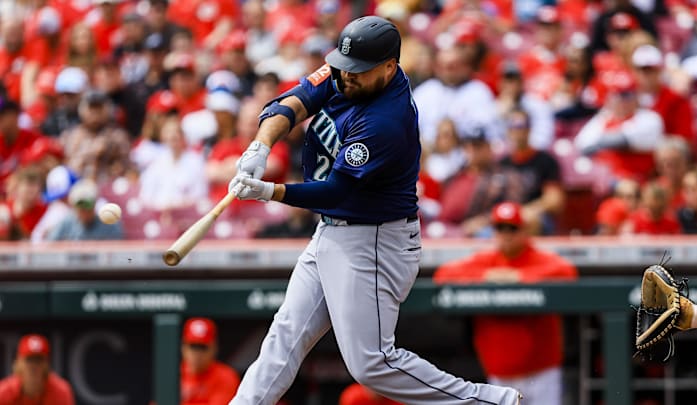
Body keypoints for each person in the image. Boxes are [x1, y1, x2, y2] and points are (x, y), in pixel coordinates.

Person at [226, 16, 521, 405]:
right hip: (334, 232)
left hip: (375, 239)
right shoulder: (346, 70)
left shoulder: (386, 120)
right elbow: (291, 102)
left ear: (389, 66)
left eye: (358, 72)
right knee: (285, 334)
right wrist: (260, 146)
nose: (345, 78)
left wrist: (270, 191)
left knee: (371, 364)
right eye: (343, 68)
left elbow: (336, 192)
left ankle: (488, 402)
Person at [433, 201, 578, 405]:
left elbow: (568, 272)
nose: (506, 234)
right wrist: (487, 276)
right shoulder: (486, 261)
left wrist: (519, 277)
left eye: (512, 228)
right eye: (501, 228)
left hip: (542, 372)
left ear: (524, 230)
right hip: (499, 376)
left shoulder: (538, 258)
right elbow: (443, 274)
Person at [0, 334, 75, 405]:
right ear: (19, 363)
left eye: (38, 360)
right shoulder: (4, 392)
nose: (34, 366)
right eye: (29, 360)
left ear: (46, 364)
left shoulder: (61, 391)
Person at [180, 317, 240, 405]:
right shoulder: (172, 375)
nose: (197, 354)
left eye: (202, 347)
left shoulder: (226, 377)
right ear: (184, 347)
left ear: (214, 348)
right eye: (193, 346)